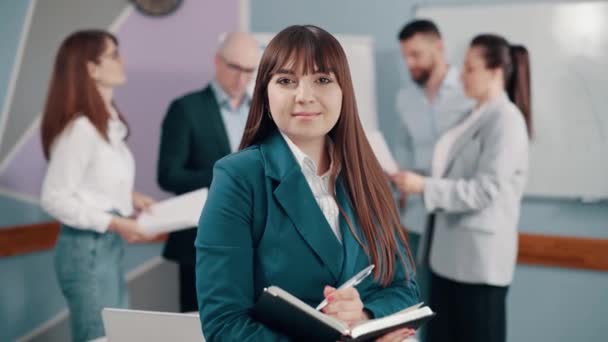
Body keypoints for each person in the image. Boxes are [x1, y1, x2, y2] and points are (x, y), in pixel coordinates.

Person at [195, 25, 421, 341]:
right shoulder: (238, 178)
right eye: (286, 81)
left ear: (344, 92)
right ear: (265, 92)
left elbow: (405, 287)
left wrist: (363, 314)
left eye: (323, 80)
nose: (304, 96)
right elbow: (224, 325)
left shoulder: (368, 176)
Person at [391, 33, 532, 342]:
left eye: (470, 68)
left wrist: (424, 187)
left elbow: (485, 190)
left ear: (495, 71)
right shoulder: (473, 115)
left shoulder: (506, 120)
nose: (461, 75)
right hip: (448, 257)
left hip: (478, 264)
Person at [40, 30, 156, 341]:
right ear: (92, 69)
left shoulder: (104, 125)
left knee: (112, 336)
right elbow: (54, 198)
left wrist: (129, 198)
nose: (123, 60)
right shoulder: (81, 129)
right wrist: (115, 222)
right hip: (86, 248)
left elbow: (90, 184)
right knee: (99, 337)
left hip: (103, 247)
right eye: (114, 54)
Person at [156, 32, 259, 312]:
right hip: (200, 243)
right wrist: (229, 176)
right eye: (235, 67)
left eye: (249, 71)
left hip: (257, 243)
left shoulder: (263, 112)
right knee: (198, 324)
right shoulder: (186, 109)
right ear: (217, 61)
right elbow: (168, 175)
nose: (241, 79)